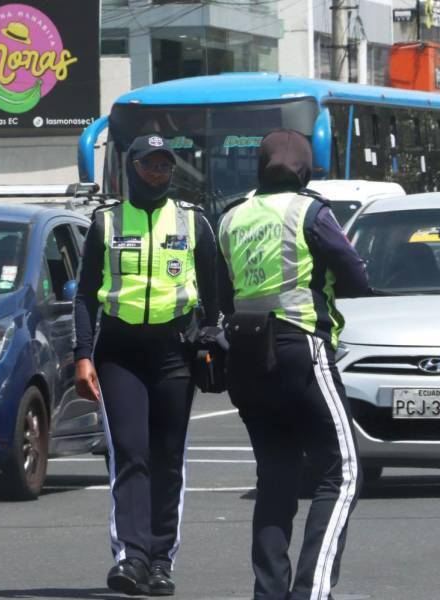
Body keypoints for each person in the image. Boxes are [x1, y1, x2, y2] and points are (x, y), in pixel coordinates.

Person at [217, 129, 370, 600]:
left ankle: (269, 593)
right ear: (306, 168)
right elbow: (355, 275)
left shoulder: (230, 216)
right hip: (301, 345)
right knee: (341, 471)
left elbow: (222, 294)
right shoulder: (312, 211)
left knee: (275, 475)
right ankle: (311, 591)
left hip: (245, 354)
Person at [73, 135, 218, 597]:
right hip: (120, 352)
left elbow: (216, 297)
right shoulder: (105, 222)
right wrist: (82, 355)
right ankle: (130, 557)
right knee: (130, 452)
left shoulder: (194, 222)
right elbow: (83, 295)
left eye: (165, 165)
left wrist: (210, 342)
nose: (158, 172)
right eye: (150, 165)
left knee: (168, 457)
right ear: (131, 167)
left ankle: (160, 561)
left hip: (175, 353)